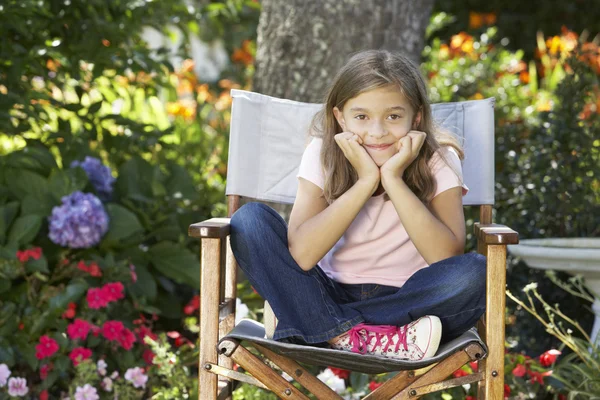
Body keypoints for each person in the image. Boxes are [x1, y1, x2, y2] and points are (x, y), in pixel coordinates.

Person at [230, 49, 486, 361]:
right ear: (340, 117)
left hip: (410, 300)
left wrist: (393, 178)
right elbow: (302, 255)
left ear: (416, 116)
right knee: (249, 220)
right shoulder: (322, 153)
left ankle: (309, 320)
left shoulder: (438, 158)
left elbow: (444, 257)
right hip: (328, 289)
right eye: (361, 117)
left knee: (474, 273)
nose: (377, 132)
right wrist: (365, 181)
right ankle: (345, 332)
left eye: (393, 116)